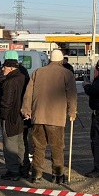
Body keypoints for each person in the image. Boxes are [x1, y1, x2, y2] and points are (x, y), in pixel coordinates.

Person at [21, 49, 77, 184]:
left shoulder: (38, 72)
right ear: (62, 60)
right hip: (56, 117)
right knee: (57, 147)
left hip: (38, 116)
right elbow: (72, 95)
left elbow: (28, 93)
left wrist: (26, 109)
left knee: (38, 147)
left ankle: (36, 174)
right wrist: (72, 112)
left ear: (49, 59)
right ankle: (57, 175)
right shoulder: (67, 73)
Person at [0, 57, 26, 181]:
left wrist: (3, 115)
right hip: (21, 116)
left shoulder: (10, 82)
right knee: (20, 143)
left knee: (10, 144)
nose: (3, 70)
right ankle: (22, 168)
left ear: (9, 68)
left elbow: (6, 101)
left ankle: (13, 171)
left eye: (4, 68)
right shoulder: (24, 78)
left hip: (10, 116)